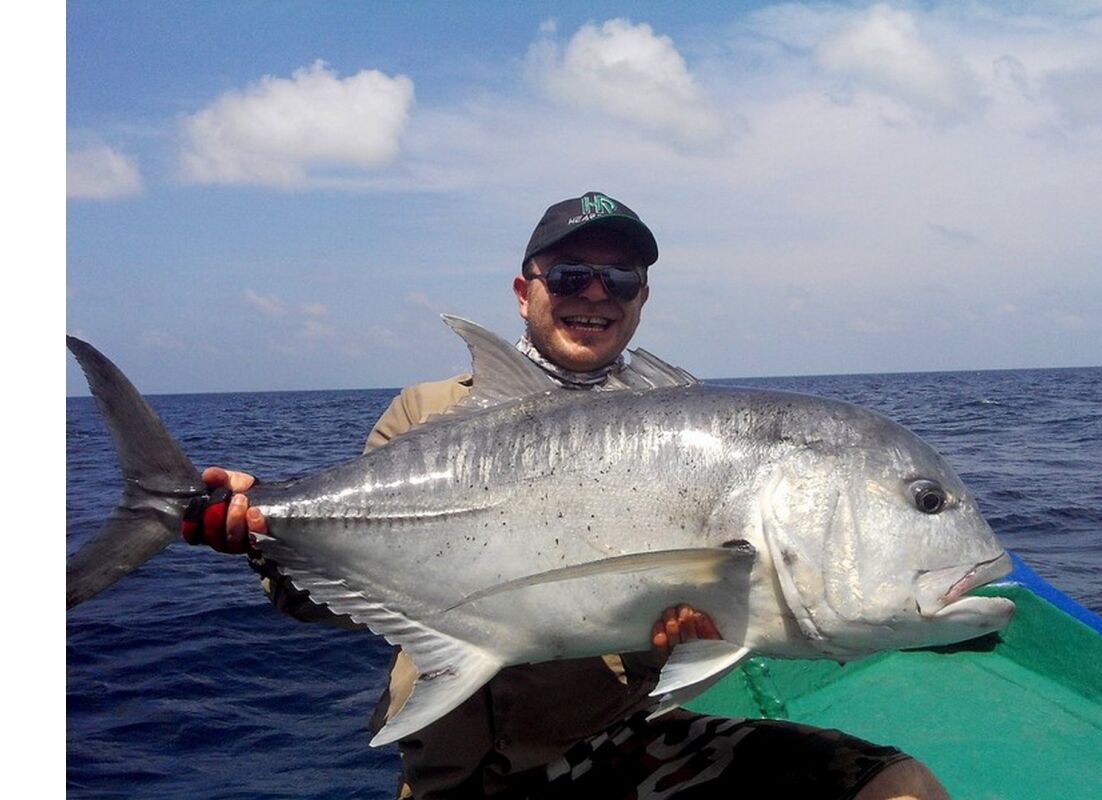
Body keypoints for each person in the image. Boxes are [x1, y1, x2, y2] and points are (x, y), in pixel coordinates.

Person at [193, 192, 949, 799]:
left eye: (619, 281)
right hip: (449, 773)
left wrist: (684, 640)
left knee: (898, 788)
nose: (595, 295)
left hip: (609, 750)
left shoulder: (688, 428)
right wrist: (259, 533)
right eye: (569, 277)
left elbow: (669, 618)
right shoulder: (426, 415)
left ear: (641, 299)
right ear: (524, 292)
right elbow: (319, 601)